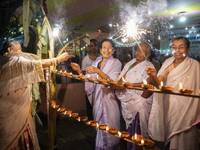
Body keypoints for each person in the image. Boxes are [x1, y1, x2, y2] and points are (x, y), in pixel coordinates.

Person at [0, 40, 71, 150]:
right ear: (10, 50)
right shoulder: (13, 61)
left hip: (19, 112)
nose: (21, 51)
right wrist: (58, 59)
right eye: (19, 48)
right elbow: (35, 64)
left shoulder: (7, 63)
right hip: (12, 112)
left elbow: (29, 69)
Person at [146, 37, 200, 150]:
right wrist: (154, 76)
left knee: (188, 139)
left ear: (188, 49)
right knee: (173, 137)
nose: (177, 50)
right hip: (172, 108)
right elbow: (158, 84)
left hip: (190, 109)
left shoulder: (195, 65)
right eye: (174, 47)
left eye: (181, 47)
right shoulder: (168, 63)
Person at [71, 39, 121, 150]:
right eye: (104, 47)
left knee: (110, 127)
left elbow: (111, 81)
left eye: (109, 47)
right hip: (98, 98)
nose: (106, 50)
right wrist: (79, 71)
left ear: (113, 51)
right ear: (100, 50)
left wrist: (97, 71)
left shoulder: (116, 63)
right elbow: (88, 80)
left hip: (110, 99)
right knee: (99, 128)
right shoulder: (97, 62)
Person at [115, 42, 154, 150]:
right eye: (137, 50)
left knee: (138, 128)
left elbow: (147, 83)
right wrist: (118, 84)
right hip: (128, 99)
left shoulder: (149, 66)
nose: (138, 53)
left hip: (138, 101)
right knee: (130, 129)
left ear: (147, 55)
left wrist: (127, 85)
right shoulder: (131, 62)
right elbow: (122, 77)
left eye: (142, 51)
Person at [82, 39, 99, 120]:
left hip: (99, 83)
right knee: (89, 102)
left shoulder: (100, 58)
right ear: (89, 47)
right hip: (88, 83)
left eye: (95, 45)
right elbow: (83, 71)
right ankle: (90, 119)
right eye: (91, 45)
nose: (94, 47)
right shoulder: (85, 59)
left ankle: (98, 118)